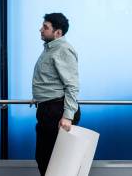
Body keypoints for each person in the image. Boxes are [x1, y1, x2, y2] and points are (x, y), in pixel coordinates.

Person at [33, 13, 81, 176]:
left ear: (58, 32)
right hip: (49, 108)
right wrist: (39, 96)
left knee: (54, 162)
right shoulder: (50, 49)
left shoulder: (63, 50)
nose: (41, 30)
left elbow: (72, 85)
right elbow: (50, 80)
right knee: (44, 159)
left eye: (45, 27)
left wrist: (68, 116)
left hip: (57, 110)